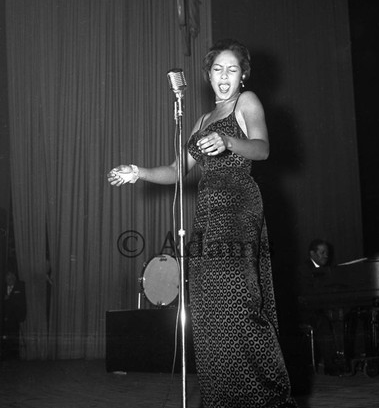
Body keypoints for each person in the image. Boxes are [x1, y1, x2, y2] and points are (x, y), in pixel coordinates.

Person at [108, 39, 296, 407]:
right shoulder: (200, 121)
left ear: (243, 76)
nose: (224, 76)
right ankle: (223, 400)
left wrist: (228, 141)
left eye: (232, 69)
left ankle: (265, 399)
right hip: (207, 218)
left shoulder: (247, 102)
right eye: (217, 69)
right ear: (208, 75)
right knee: (209, 313)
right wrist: (138, 172)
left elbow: (262, 148)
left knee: (240, 305)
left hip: (239, 208)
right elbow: (178, 170)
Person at [296, 239, 350, 376]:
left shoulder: (329, 269)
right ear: (312, 254)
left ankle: (342, 360)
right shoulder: (303, 269)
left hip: (322, 308)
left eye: (327, 253)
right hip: (306, 311)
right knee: (324, 324)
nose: (326, 256)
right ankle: (330, 366)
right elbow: (307, 294)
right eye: (322, 252)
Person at [1, 270, 27, 360]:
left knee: (14, 339)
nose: (10, 278)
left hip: (15, 319)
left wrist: (9, 299)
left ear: (15, 277)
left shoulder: (20, 286)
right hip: (3, 319)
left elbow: (22, 302)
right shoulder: (2, 288)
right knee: (4, 340)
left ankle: (13, 357)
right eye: (8, 276)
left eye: (12, 276)